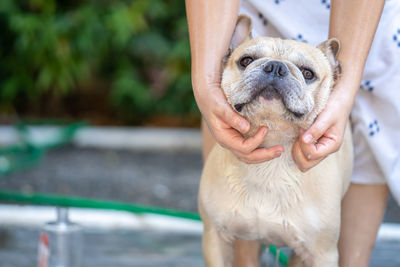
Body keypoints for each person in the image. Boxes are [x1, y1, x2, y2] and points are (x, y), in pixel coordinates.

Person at [185, 0, 400, 266]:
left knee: (372, 121)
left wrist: (345, 93)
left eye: (307, 73)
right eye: (249, 60)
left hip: (364, 15)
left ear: (332, 79)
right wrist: (206, 84)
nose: (274, 73)